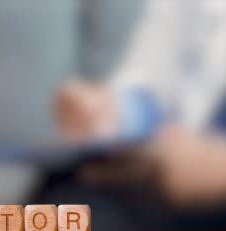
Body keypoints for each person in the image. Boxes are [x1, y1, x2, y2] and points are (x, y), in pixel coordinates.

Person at [54, 0, 226, 210]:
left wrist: (216, 166)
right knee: (64, 195)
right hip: (168, 167)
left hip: (202, 187)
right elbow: (152, 78)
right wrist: (113, 112)